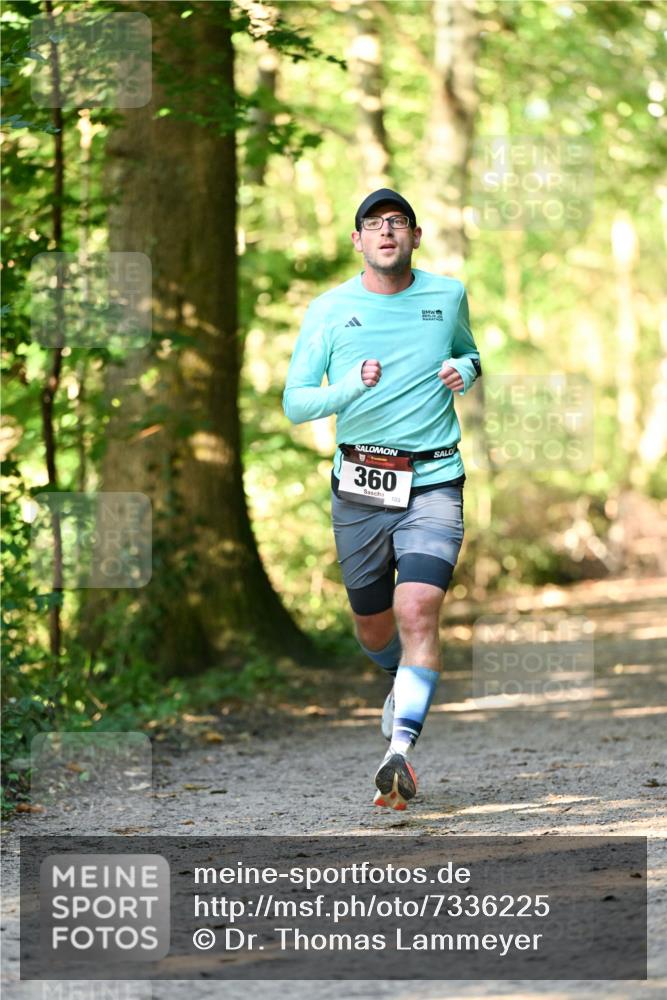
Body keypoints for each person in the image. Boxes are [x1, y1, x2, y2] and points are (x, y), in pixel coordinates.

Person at [283, 188, 482, 810]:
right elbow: (296, 403)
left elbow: (469, 351)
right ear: (358, 241)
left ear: (416, 237)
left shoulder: (447, 296)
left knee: (418, 608)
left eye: (398, 222)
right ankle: (399, 676)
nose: (387, 232)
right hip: (361, 487)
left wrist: (467, 371)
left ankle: (400, 749)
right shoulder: (328, 308)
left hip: (433, 479)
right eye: (374, 224)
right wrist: (347, 387)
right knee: (374, 629)